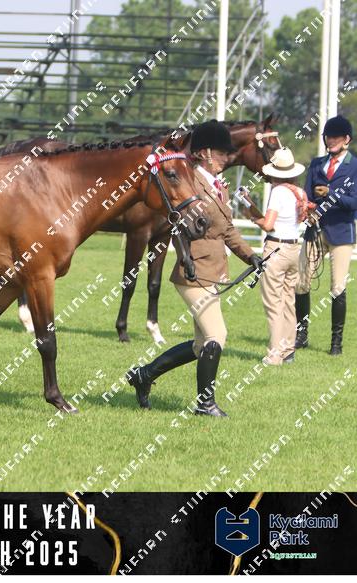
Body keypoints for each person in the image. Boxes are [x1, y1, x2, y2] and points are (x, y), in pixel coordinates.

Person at [126, 120, 263, 417]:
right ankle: (205, 404)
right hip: (193, 271)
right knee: (217, 335)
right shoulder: (190, 182)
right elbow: (176, 222)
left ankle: (144, 375)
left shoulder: (217, 186)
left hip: (212, 270)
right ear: (204, 152)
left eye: (227, 153)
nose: (226, 158)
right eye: (221, 153)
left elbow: (227, 230)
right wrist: (184, 256)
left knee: (202, 345)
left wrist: (251, 256)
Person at [295, 114, 357, 355]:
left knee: (337, 286)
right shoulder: (316, 164)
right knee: (301, 282)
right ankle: (301, 335)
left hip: (341, 232)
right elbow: (307, 196)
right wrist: (307, 210)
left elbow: (354, 202)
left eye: (335, 137)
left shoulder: (354, 166)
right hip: (314, 230)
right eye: (328, 136)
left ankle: (336, 342)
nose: (329, 140)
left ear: (346, 139)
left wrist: (331, 193)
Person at [247, 147, 307, 365]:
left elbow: (269, 225)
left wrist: (252, 215)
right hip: (294, 249)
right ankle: (288, 350)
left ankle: (274, 354)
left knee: (273, 303)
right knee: (288, 300)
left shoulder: (278, 192)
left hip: (276, 248)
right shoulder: (299, 191)